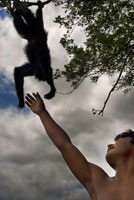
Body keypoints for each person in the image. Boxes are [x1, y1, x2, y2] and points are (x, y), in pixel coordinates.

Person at [25, 92, 134, 200]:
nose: (110, 144)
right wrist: (42, 113)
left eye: (119, 140)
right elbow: (64, 145)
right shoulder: (98, 181)